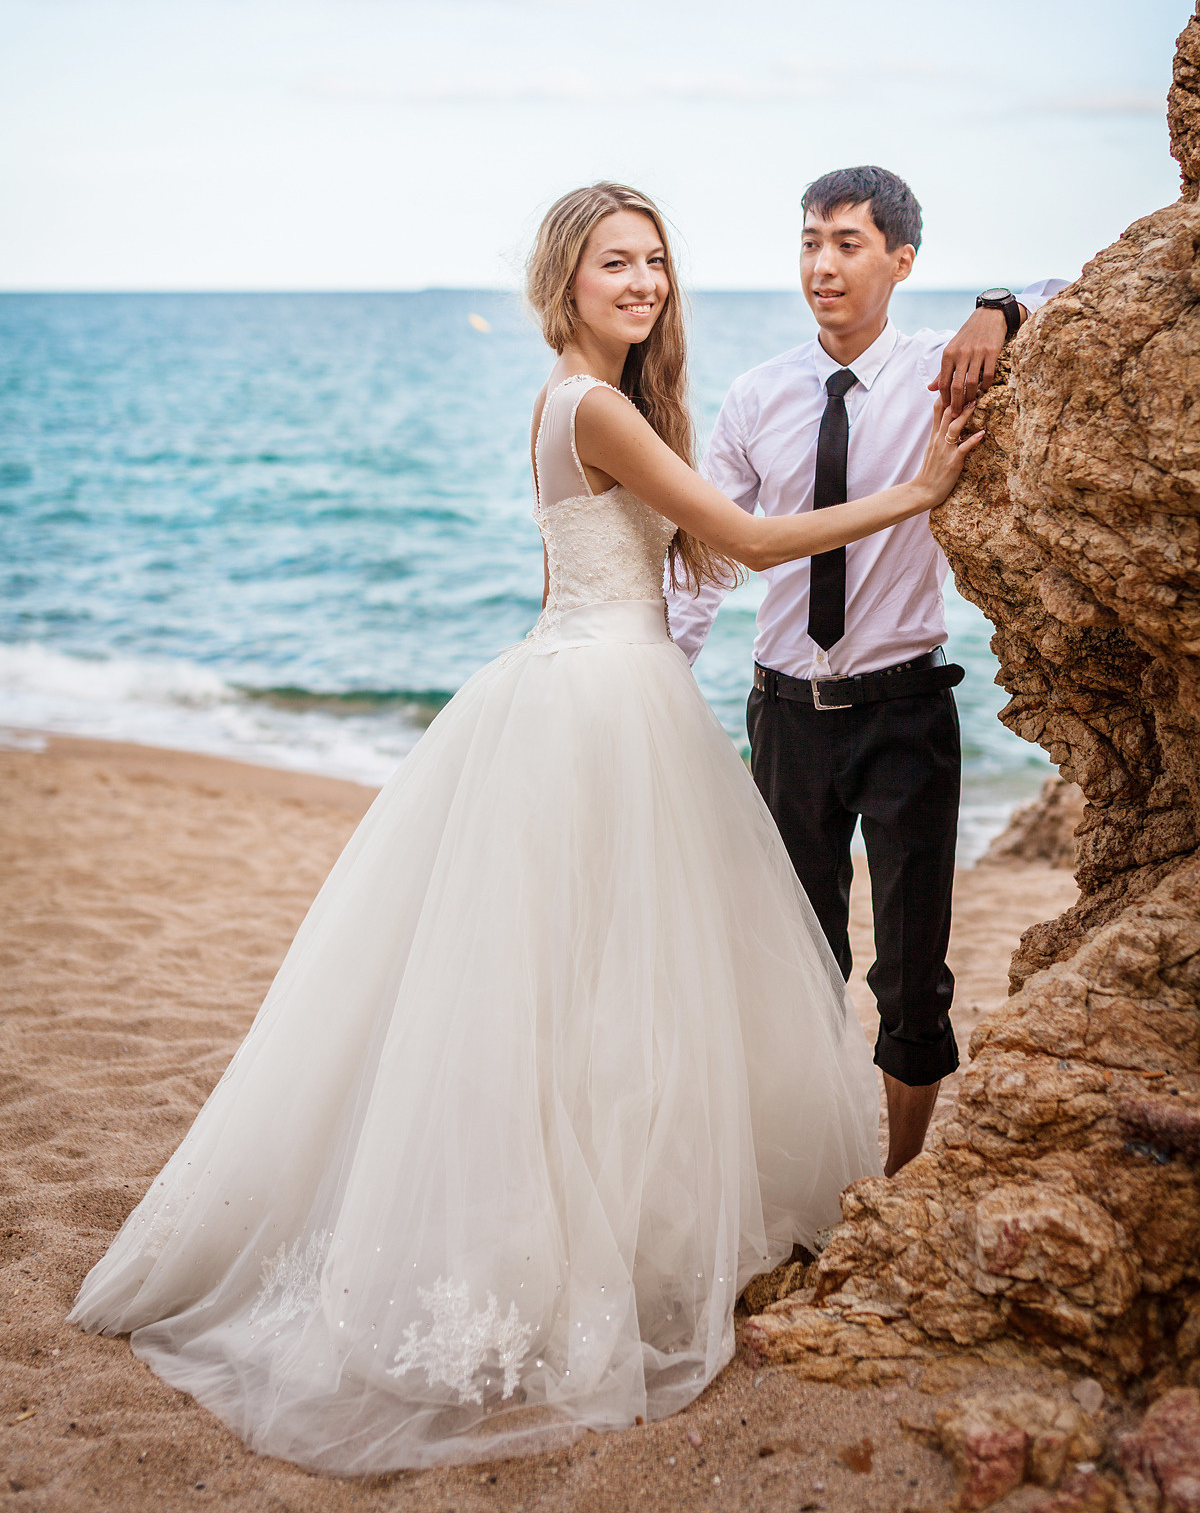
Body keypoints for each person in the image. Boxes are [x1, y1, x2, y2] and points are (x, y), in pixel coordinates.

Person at [69, 182, 981, 1475]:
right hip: (601, 704)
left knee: (594, 988)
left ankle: (610, 1226)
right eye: (618, 263)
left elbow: (592, 575)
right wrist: (919, 491)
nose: (645, 284)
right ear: (568, 276)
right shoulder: (593, 403)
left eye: (657, 262)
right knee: (605, 984)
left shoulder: (580, 404)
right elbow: (750, 540)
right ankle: (574, 1252)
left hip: (598, 685)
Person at [667, 163, 1069, 1178]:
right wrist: (658, 682)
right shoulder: (759, 396)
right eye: (810, 240)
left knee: (912, 975)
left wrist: (1000, 308)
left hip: (905, 714)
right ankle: (807, 1169)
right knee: (799, 962)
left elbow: (1087, 289)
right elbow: (708, 559)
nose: (823, 264)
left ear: (902, 260)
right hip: (784, 719)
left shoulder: (947, 366)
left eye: (847, 243)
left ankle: (897, 1181)